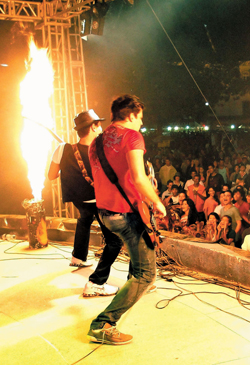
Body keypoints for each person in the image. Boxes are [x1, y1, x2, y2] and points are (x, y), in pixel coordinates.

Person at [87, 94, 166, 345]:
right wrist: (157, 201)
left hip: (105, 214)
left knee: (138, 262)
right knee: (146, 274)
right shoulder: (132, 136)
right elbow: (139, 178)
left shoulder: (95, 142)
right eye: (140, 118)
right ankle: (103, 324)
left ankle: (115, 308)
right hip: (125, 214)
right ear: (130, 115)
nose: (141, 123)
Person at [48, 109, 123, 297]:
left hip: (79, 200)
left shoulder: (63, 149)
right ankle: (96, 283)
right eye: (98, 125)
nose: (101, 128)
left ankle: (78, 257)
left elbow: (51, 176)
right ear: (92, 127)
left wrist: (66, 167)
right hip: (99, 201)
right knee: (115, 241)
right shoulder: (101, 151)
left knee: (85, 218)